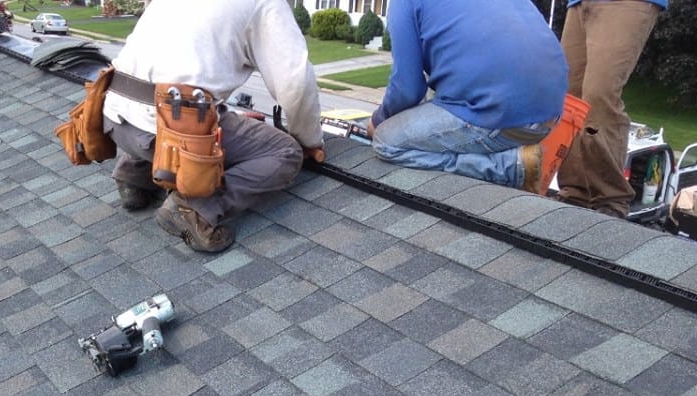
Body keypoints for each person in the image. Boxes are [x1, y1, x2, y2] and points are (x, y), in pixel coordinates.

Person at [102, 0, 325, 253]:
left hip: (114, 117)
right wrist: (308, 139)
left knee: (167, 102)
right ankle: (194, 207)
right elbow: (295, 85)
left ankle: (133, 176)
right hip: (167, 133)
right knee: (285, 152)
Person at [367, 0, 568, 193]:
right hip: (551, 114)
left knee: (386, 141)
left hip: (502, 118)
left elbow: (407, 87)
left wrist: (379, 120)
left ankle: (507, 168)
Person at [555, 0, 666, 218]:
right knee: (568, 98)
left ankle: (611, 199)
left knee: (599, 94)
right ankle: (576, 193)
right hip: (578, 4)